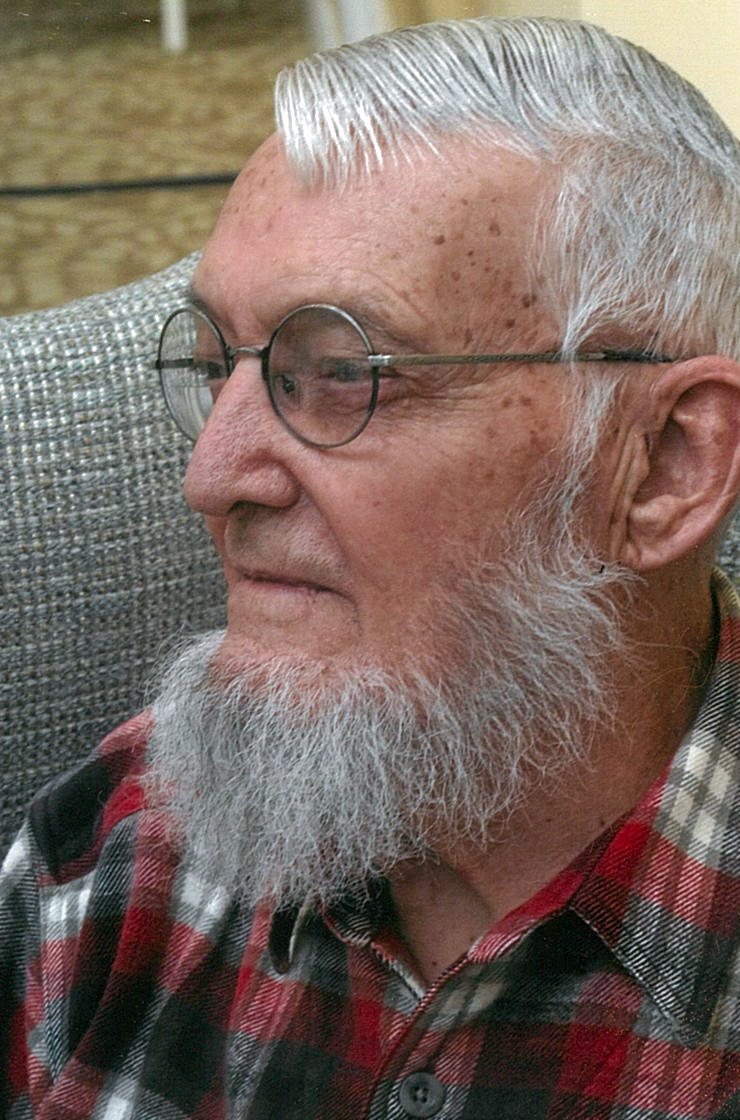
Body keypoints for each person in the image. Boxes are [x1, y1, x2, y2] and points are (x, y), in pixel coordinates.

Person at [4, 15, 740, 1118]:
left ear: (663, 466)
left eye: (345, 371)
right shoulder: (113, 860)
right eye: (214, 366)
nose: (212, 477)